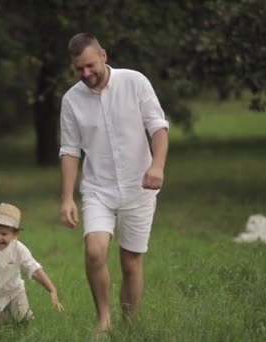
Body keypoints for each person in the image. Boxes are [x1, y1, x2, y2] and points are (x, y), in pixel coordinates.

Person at [58, 32, 169, 332]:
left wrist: (157, 166)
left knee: (131, 261)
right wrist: (67, 198)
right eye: (78, 69)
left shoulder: (135, 82)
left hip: (140, 186)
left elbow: (158, 127)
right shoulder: (71, 100)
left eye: (90, 65)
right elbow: (69, 150)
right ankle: (103, 320)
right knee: (95, 251)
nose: (85, 74)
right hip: (98, 189)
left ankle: (130, 328)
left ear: (104, 55)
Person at [0, 202, 64, 327]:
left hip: (14, 292)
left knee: (23, 320)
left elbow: (34, 269)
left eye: (4, 234)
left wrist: (52, 290)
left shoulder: (19, 250)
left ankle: (15, 321)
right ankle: (1, 318)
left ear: (15, 235)